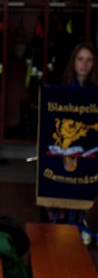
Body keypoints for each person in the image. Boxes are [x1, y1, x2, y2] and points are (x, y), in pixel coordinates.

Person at [46, 42, 98, 243]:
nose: (84, 64)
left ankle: (86, 224)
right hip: (67, 149)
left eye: (89, 60)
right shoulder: (60, 90)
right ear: (73, 62)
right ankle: (62, 225)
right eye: (80, 59)